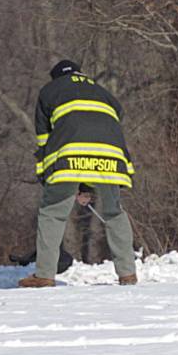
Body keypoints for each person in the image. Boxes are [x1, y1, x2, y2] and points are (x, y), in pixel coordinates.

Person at [18, 60, 137, 287]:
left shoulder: (49, 91)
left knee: (52, 212)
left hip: (69, 156)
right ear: (80, 74)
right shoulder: (102, 91)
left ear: (55, 77)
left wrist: (48, 177)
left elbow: (44, 140)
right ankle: (127, 273)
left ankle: (44, 275)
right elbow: (106, 123)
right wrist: (86, 186)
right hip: (111, 155)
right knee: (114, 213)